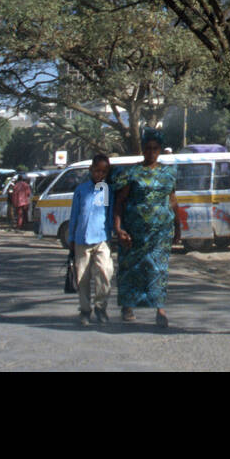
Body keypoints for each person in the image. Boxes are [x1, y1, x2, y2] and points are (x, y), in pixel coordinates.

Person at [113, 129, 181, 327]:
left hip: (160, 232)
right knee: (131, 268)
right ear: (143, 149)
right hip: (134, 231)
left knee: (158, 270)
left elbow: (173, 201)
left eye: (155, 148)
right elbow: (120, 202)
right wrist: (118, 228)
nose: (151, 152)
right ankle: (127, 306)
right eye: (147, 148)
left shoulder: (168, 173)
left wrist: (178, 227)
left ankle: (160, 310)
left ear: (160, 150)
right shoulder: (131, 173)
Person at [70, 154, 115, 325]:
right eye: (97, 171)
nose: (99, 174)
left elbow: (108, 214)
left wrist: (111, 235)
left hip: (101, 239)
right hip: (82, 240)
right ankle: (85, 310)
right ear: (91, 169)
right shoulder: (81, 190)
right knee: (82, 277)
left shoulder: (107, 191)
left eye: (103, 172)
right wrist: (71, 238)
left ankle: (101, 307)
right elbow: (75, 214)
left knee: (104, 274)